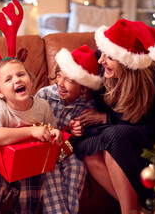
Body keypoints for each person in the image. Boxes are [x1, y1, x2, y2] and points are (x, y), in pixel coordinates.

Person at [74, 19, 155, 214]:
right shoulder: (104, 68)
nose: (101, 61)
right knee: (88, 149)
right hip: (114, 129)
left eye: (109, 57)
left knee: (114, 139)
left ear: (127, 62)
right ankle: (141, 210)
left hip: (146, 140)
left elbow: (151, 130)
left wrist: (105, 119)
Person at [0, 50, 62, 214]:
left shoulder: (42, 106)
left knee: (33, 181)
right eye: (8, 79)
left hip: (30, 164)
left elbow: (51, 131)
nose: (17, 80)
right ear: (0, 92)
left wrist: (55, 134)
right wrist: (31, 131)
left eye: (21, 75)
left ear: (30, 80)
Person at [36, 45, 102, 214]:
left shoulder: (87, 106)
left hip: (68, 152)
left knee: (78, 167)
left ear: (84, 86)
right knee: (51, 174)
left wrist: (77, 132)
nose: (60, 83)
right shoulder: (44, 95)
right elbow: (31, 124)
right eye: (59, 76)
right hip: (45, 152)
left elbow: (82, 139)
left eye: (69, 80)